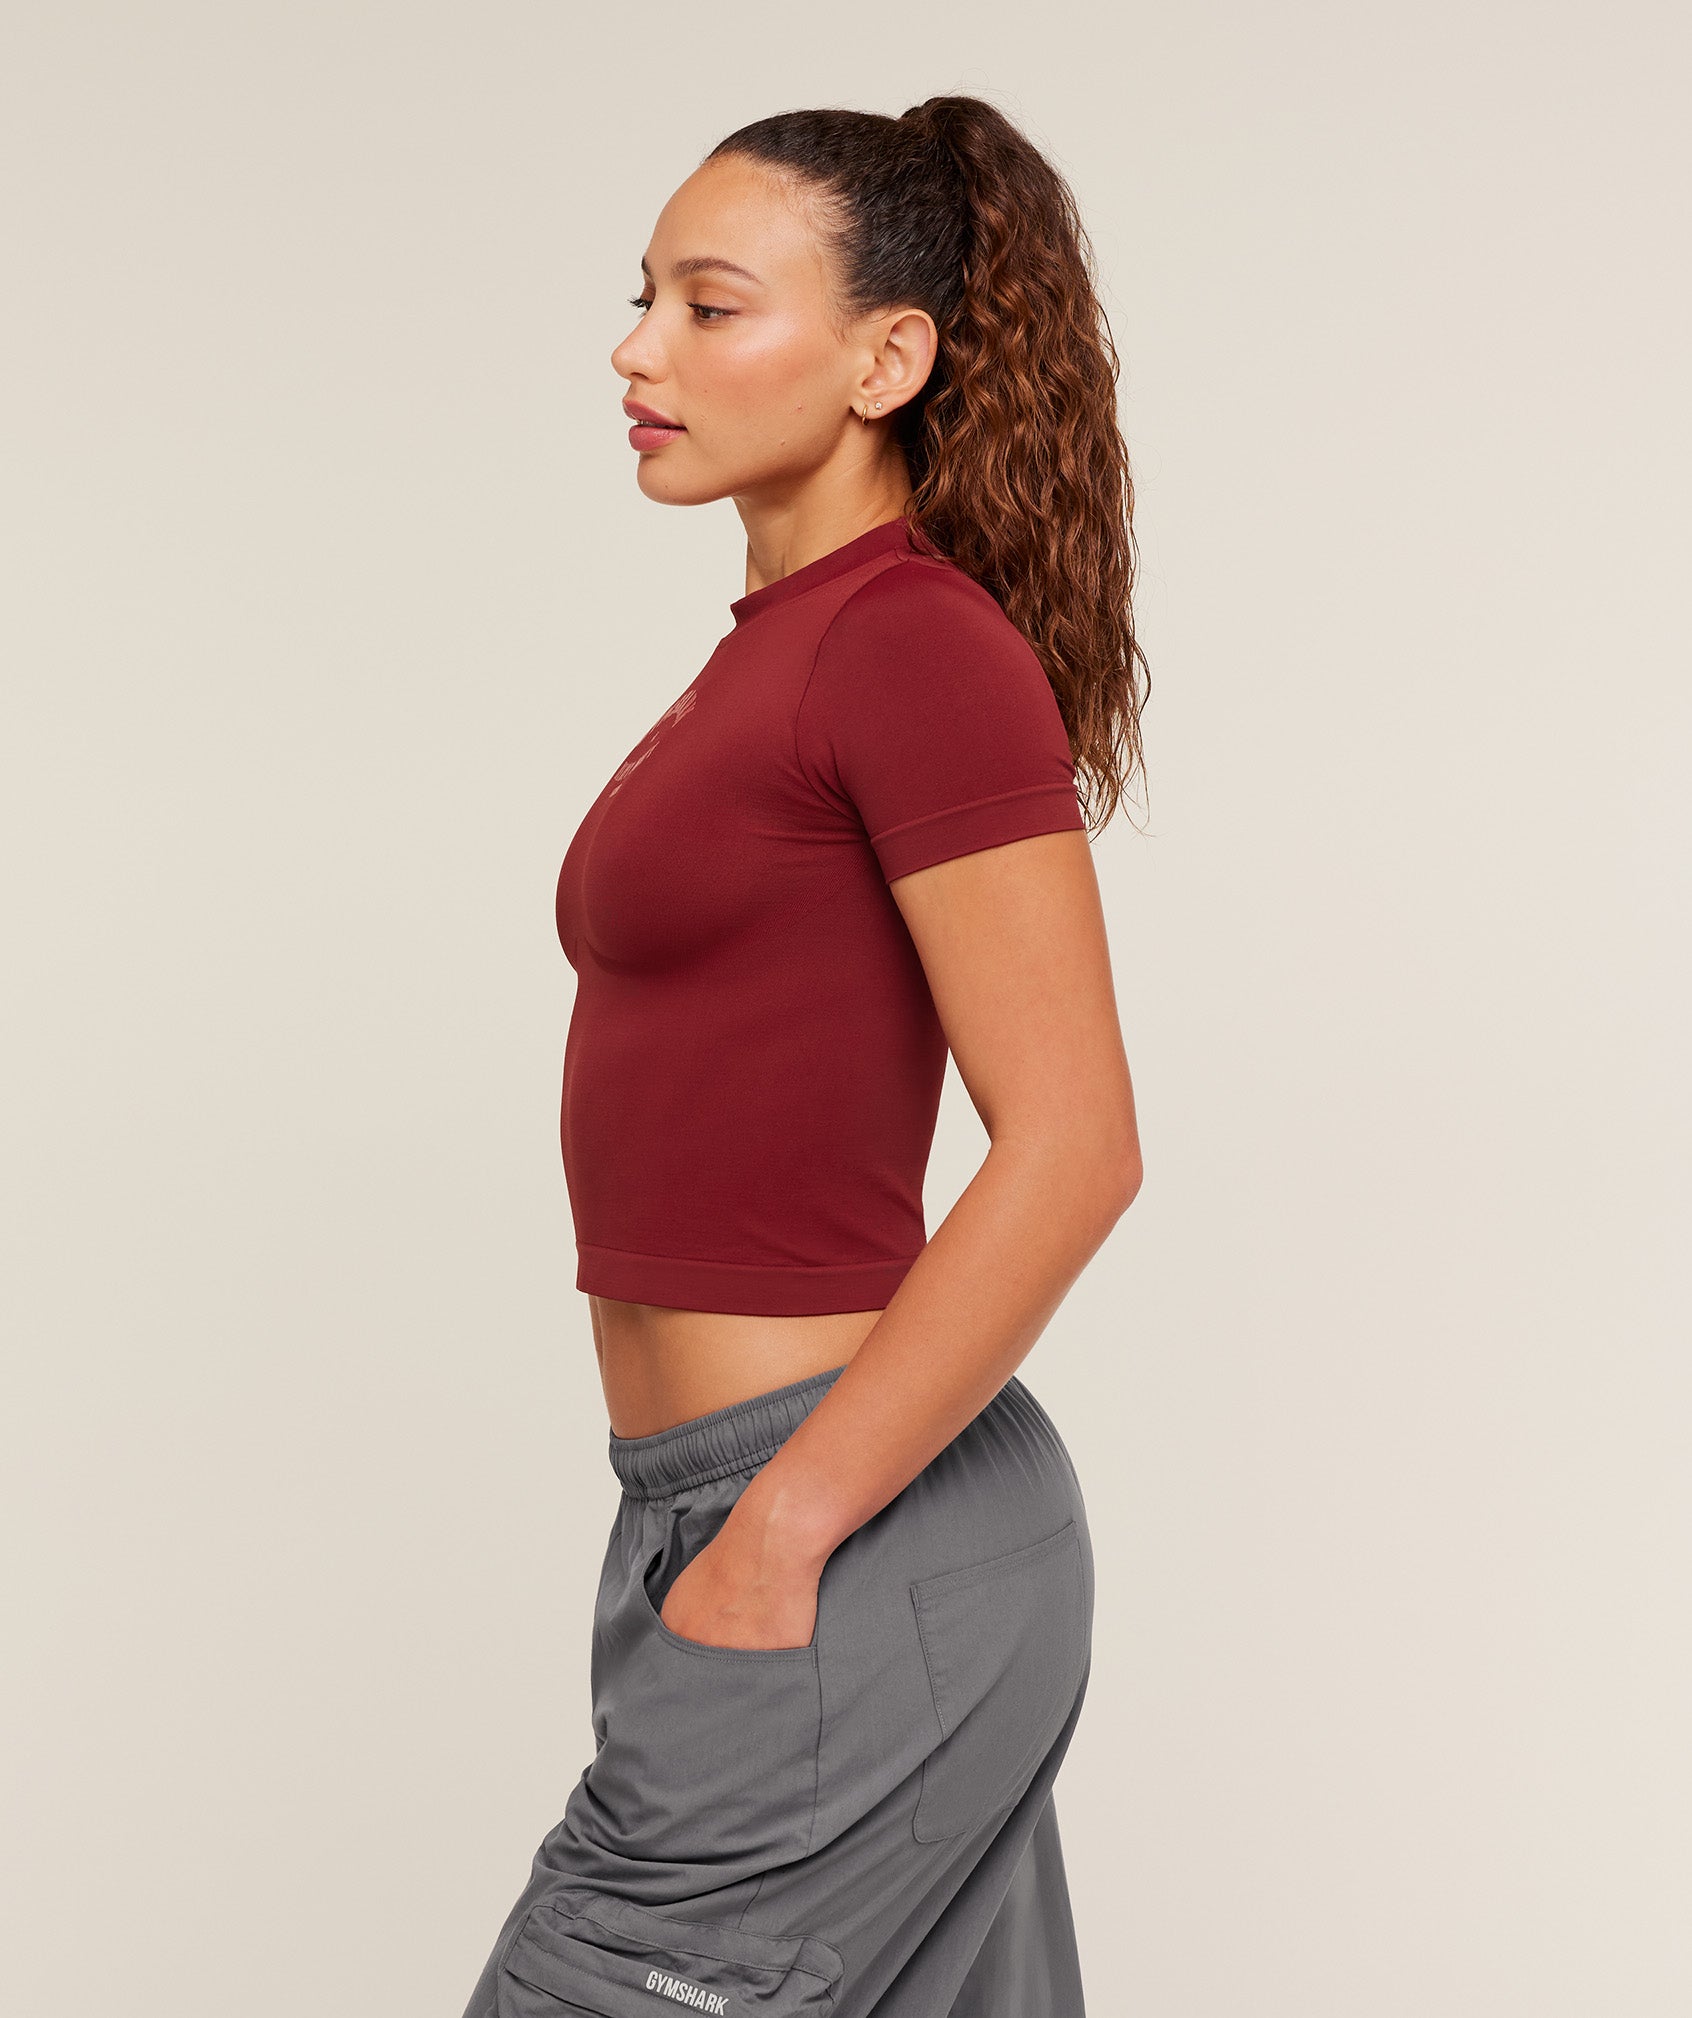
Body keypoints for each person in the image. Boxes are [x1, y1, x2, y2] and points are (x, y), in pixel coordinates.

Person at [461, 93, 1150, 2018]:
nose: (638, 350)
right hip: (741, 1507)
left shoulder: (909, 644)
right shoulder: (783, 643)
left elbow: (1076, 1140)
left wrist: (786, 1524)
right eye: (641, 300)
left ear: (885, 359)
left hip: (839, 1518)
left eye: (709, 306)